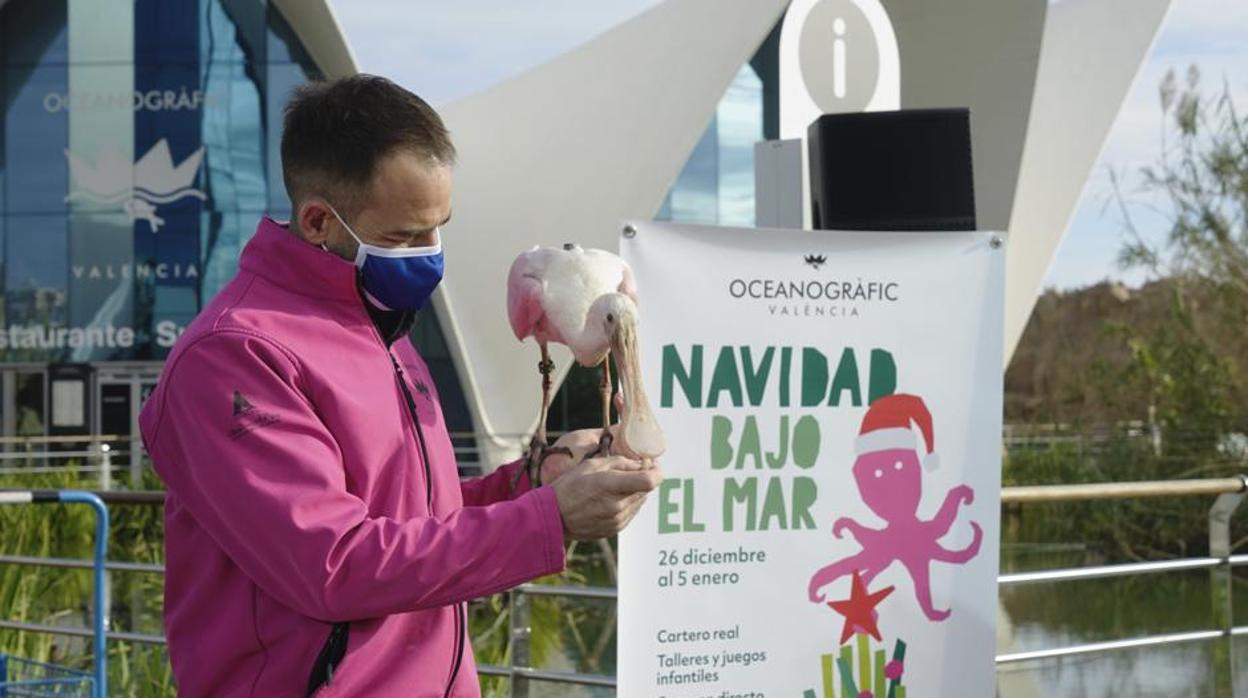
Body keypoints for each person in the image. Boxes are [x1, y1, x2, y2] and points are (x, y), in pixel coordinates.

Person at [138, 74, 661, 697]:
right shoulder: (235, 358)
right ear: (317, 221)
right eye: (403, 237)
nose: (431, 254)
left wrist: (528, 484)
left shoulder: (380, 330)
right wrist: (547, 520)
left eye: (439, 226)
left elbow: (415, 517)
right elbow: (335, 564)